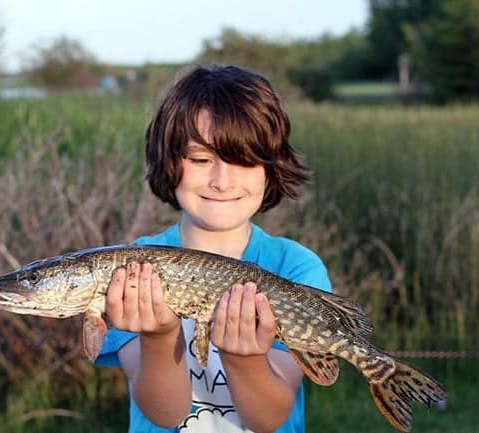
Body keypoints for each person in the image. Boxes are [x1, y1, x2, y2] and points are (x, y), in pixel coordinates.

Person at [95, 64, 332, 433]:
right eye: (201, 159)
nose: (221, 181)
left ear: (270, 169)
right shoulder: (131, 270)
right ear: (170, 162)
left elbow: (268, 419)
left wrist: (246, 360)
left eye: (244, 160)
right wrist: (159, 338)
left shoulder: (296, 267)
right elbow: (165, 414)